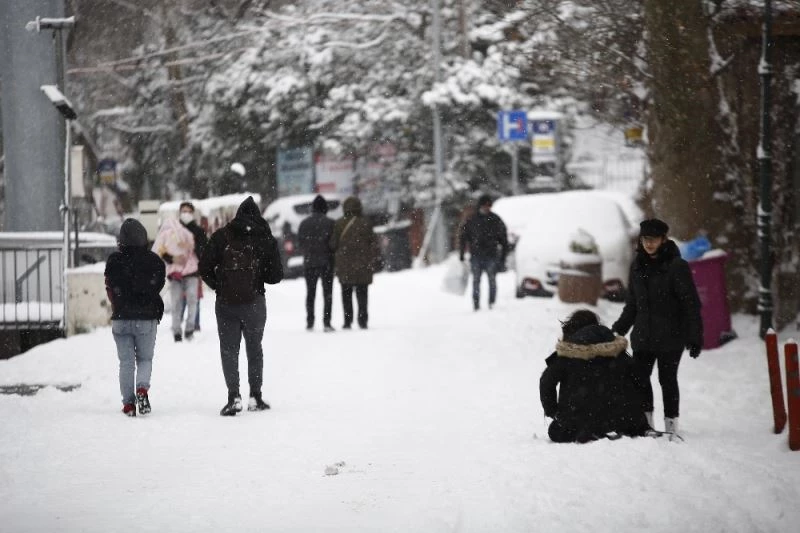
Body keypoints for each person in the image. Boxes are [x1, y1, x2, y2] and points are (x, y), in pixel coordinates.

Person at [611, 218, 703, 439]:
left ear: (663, 239)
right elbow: (633, 305)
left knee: (667, 379)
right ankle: (646, 424)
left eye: (653, 240)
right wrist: (617, 331)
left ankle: (671, 425)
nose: (649, 244)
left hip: (672, 336)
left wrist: (695, 335)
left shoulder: (676, 266)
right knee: (640, 378)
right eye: (645, 239)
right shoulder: (637, 266)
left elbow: (691, 303)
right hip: (643, 335)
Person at [199, 196, 284, 416]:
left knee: (229, 351)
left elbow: (204, 266)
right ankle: (255, 396)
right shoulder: (264, 237)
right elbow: (276, 276)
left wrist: (220, 285)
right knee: (254, 349)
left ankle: (233, 396)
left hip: (226, 303)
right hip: (255, 302)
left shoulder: (222, 236)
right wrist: (257, 275)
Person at [540, 310, 650, 443]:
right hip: (622, 419)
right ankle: (639, 428)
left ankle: (590, 432)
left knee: (556, 431)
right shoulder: (616, 349)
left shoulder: (567, 353)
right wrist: (639, 411)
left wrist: (554, 413)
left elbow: (546, 382)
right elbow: (641, 376)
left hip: (579, 420)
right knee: (631, 423)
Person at [104, 219, 166, 417]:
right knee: (145, 359)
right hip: (146, 318)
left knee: (126, 362)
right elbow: (158, 285)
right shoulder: (154, 261)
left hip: (121, 318)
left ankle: (128, 404)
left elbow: (110, 288)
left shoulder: (114, 261)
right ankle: (142, 390)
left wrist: (119, 304)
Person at [330, 196, 380, 330]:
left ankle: (347, 321)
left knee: (346, 294)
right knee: (362, 293)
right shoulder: (366, 223)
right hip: (363, 265)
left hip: (345, 266)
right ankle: (362, 320)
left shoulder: (339, 223)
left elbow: (333, 244)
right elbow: (374, 243)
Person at [152, 212, 201, 342]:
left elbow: (198, 247)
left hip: (191, 271)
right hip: (175, 274)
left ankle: (189, 330)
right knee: (177, 303)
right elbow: (160, 252)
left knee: (191, 300)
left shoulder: (189, 232)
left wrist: (189, 247)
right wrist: (173, 258)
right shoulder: (165, 236)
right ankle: (177, 332)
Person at [459, 194, 509, 311]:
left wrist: (503, 256)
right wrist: (461, 253)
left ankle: (492, 303)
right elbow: (463, 237)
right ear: (480, 206)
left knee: (492, 280)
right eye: (484, 205)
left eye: (488, 206)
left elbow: (503, 239)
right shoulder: (471, 220)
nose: (487, 208)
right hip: (476, 256)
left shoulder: (496, 220)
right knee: (476, 281)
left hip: (491, 255)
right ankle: (476, 304)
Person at [298, 195, 336, 332]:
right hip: (327, 262)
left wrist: (309, 252)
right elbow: (334, 244)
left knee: (310, 293)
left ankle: (310, 321)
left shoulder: (304, 223)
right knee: (327, 293)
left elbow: (300, 243)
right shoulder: (331, 223)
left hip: (309, 262)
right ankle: (326, 322)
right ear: (325, 208)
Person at [178, 202, 208, 331]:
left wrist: (192, 247)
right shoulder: (174, 229)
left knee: (193, 298)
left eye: (188, 211)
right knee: (179, 299)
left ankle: (195, 324)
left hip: (194, 270)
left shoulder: (199, 231)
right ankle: (177, 323)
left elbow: (203, 251)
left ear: (192, 213)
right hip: (177, 270)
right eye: (183, 211)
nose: (185, 214)